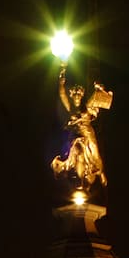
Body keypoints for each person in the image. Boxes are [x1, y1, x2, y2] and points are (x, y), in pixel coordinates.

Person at [51, 65, 112, 193]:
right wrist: (61, 81)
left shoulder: (87, 107)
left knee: (95, 154)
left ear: (82, 95)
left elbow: (100, 99)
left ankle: (101, 174)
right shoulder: (70, 108)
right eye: (75, 94)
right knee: (73, 154)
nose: (77, 96)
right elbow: (62, 95)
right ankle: (75, 176)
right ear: (72, 95)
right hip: (75, 135)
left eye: (79, 94)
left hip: (88, 133)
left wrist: (100, 89)